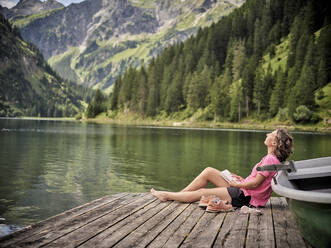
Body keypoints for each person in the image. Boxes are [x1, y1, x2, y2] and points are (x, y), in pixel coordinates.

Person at [151, 128, 294, 210]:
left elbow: (256, 184)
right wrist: (241, 179)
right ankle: (179, 195)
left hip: (245, 197)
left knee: (202, 193)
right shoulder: (271, 159)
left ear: (274, 142)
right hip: (245, 191)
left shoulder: (270, 159)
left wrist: (237, 184)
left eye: (271, 134)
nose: (267, 134)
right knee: (208, 171)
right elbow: (257, 182)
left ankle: (167, 195)